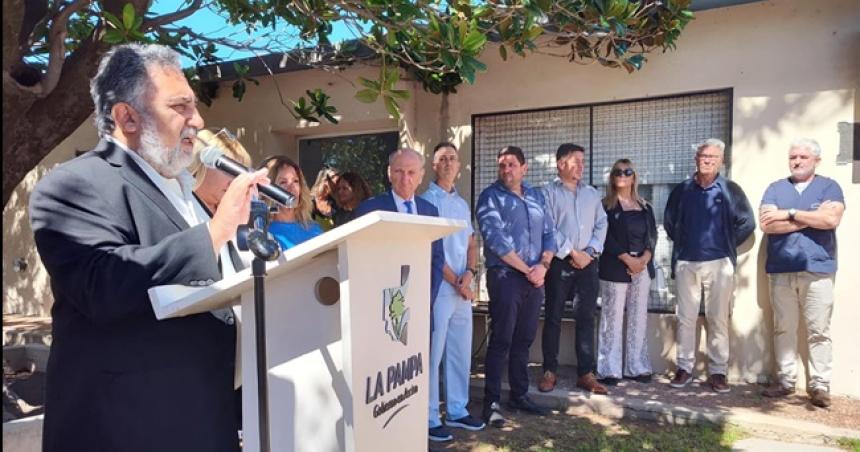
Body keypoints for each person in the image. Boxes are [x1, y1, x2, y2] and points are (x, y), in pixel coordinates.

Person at [28, 43, 268, 451]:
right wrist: (215, 232)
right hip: (127, 429)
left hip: (203, 418)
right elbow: (101, 284)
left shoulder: (183, 192)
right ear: (127, 117)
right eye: (181, 107)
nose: (198, 120)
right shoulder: (73, 184)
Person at [664, 138, 755, 393]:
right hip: (686, 262)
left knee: (718, 318)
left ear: (721, 162)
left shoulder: (730, 190)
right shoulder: (682, 190)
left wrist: (725, 243)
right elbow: (670, 222)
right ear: (696, 159)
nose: (707, 160)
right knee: (686, 318)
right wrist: (685, 243)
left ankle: (718, 372)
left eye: (713, 157)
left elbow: (747, 223)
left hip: (719, 263)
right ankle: (684, 368)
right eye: (703, 156)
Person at [759, 138, 845, 408]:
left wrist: (791, 214)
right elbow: (767, 224)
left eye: (803, 157)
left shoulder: (829, 186)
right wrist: (810, 217)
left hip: (817, 269)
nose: (796, 161)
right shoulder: (776, 188)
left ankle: (820, 385)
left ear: (816, 161)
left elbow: (831, 220)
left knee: (818, 330)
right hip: (781, 269)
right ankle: (785, 382)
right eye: (793, 156)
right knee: (783, 328)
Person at [476, 146, 556, 428]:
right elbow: (496, 240)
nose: (506, 170)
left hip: (535, 278)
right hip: (506, 277)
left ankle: (519, 395)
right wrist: (529, 270)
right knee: (502, 340)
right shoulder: (490, 197)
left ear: (525, 168)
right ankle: (492, 403)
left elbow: (550, 234)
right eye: (502, 165)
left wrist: (544, 266)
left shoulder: (536, 196)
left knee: (524, 340)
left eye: (511, 164)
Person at [420, 143, 485, 442]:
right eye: (442, 159)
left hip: (462, 289)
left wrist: (469, 275)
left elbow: (471, 243)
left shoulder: (461, 203)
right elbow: (432, 251)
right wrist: (456, 280)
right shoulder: (425, 202)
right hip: (440, 290)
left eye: (452, 158)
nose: (448, 163)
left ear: (459, 166)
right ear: (434, 166)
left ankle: (458, 409)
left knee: (460, 351)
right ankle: (430, 415)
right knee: (433, 355)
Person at [539, 143, 609, 395]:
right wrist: (572, 252)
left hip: (588, 264)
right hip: (559, 263)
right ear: (560, 164)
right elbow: (547, 227)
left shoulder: (591, 194)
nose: (581, 165)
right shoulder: (548, 193)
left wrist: (588, 253)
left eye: (582, 160)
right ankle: (549, 371)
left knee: (586, 317)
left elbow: (602, 223)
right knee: (553, 317)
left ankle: (586, 373)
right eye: (575, 160)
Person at [354, 148, 445, 317]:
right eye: (399, 171)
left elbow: (437, 260)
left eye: (411, 172)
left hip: (421, 309)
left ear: (421, 175)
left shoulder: (430, 211)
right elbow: (361, 259)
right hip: (381, 310)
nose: (405, 179)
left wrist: (425, 300)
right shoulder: (370, 210)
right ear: (389, 173)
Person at [596, 159, 657, 386]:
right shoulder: (604, 206)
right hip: (615, 266)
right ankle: (608, 369)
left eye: (627, 171)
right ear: (612, 177)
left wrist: (643, 259)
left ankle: (637, 366)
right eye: (617, 172)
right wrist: (627, 259)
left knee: (638, 317)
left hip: (642, 267)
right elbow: (605, 237)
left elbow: (653, 235)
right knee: (611, 319)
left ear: (634, 177)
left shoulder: (645, 206)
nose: (622, 175)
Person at [263, 156, 323, 250]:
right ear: (270, 190)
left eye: (295, 181)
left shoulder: (314, 229)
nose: (291, 187)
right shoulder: (263, 233)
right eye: (283, 182)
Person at [310, 167, 341, 231]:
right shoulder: (310, 202)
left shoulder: (335, 203)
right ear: (325, 181)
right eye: (336, 182)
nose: (338, 187)